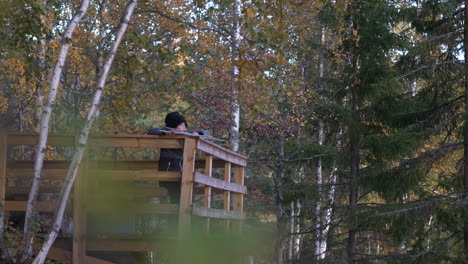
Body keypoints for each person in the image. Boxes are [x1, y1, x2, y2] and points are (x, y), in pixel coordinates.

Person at [147, 112, 208, 202]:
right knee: (170, 200)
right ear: (173, 126)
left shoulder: (185, 135)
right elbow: (151, 131)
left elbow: (205, 134)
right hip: (168, 173)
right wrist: (166, 132)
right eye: (181, 125)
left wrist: (198, 133)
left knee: (183, 199)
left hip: (183, 173)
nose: (184, 128)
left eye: (185, 125)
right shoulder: (165, 133)